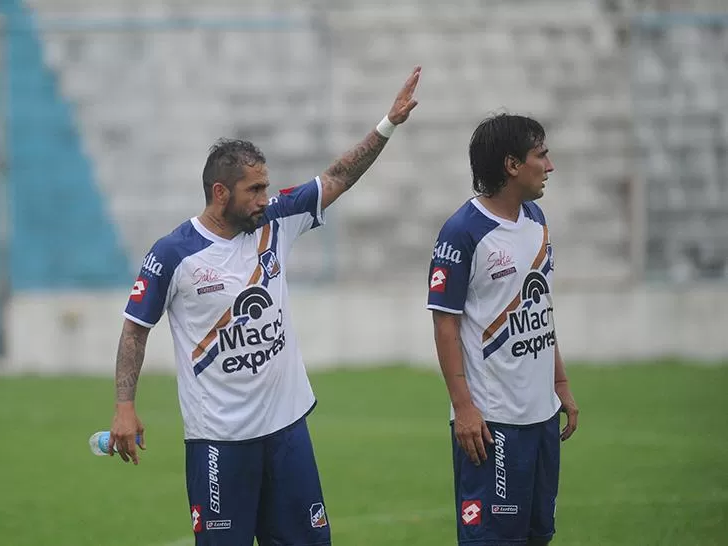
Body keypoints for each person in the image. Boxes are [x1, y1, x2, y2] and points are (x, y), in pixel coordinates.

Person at [109, 67, 421, 545]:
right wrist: (124, 407)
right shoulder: (173, 254)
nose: (265, 198)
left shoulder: (276, 222)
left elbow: (337, 176)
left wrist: (388, 124)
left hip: (287, 432)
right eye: (254, 189)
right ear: (220, 193)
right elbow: (135, 329)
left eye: (266, 187)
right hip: (219, 442)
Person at [426, 113, 580, 545]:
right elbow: (444, 326)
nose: (549, 166)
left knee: (537, 535)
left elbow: (539, 313)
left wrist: (560, 383)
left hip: (542, 417)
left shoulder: (536, 220)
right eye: (541, 155)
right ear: (512, 165)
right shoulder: (462, 233)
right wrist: (465, 409)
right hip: (493, 423)